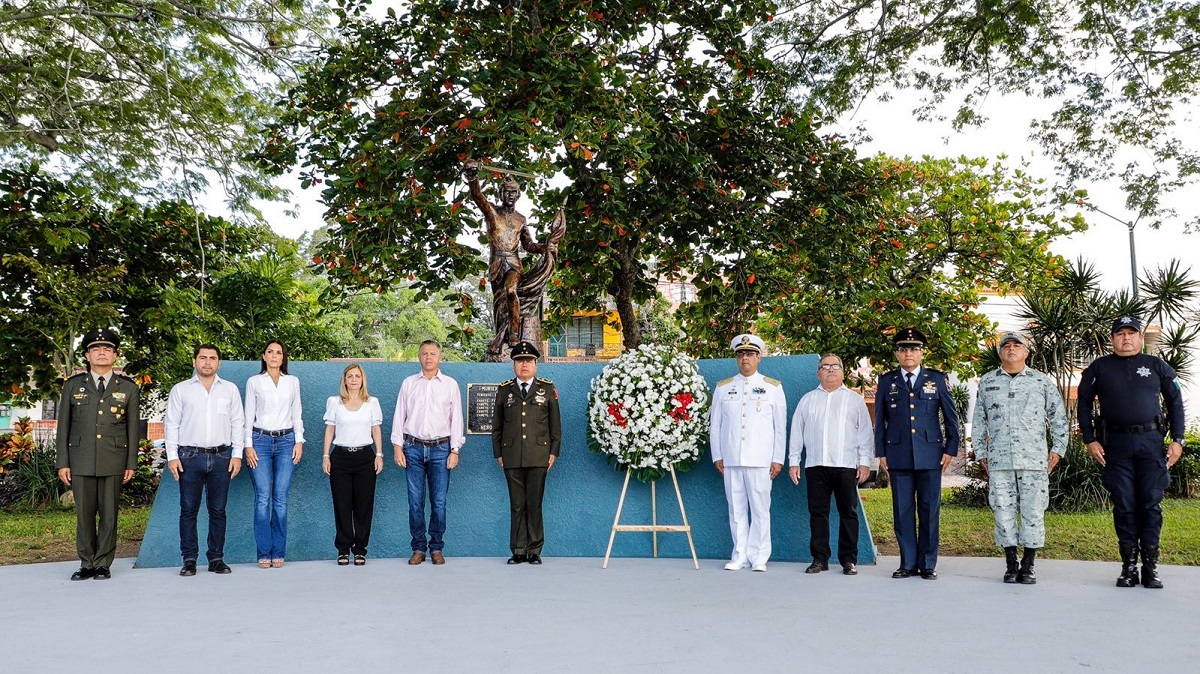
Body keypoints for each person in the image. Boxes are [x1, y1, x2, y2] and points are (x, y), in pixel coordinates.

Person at [1078, 316, 1186, 589]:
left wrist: (1178, 440)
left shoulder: (1156, 366)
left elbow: (1175, 402)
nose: (1126, 338)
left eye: (1131, 333)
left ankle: (1150, 567)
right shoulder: (1099, 368)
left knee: (1150, 504)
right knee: (1124, 505)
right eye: (1120, 334)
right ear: (1112, 338)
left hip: (1150, 443)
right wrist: (1090, 439)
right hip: (1116, 445)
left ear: (1140, 337)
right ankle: (1128, 567)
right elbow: (1083, 403)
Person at [972, 331, 1067, 584]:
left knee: (1033, 511)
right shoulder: (988, 382)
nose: (1011, 349)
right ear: (1000, 352)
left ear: (1026, 352)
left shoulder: (1041, 382)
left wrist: (1058, 448)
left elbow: (1058, 416)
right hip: (999, 460)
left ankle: (1029, 564)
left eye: (1017, 346)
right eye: (1007, 346)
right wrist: (980, 451)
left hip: (1034, 459)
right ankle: (1011, 563)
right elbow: (979, 420)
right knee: (1002, 511)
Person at [55, 328, 140, 581]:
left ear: (115, 355)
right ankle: (86, 562)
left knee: (109, 513)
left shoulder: (128, 387)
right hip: (80, 459)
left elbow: (133, 429)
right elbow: (63, 428)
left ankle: (103, 562)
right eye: (96, 349)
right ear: (87, 355)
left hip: (114, 459)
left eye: (107, 349)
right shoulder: (72, 386)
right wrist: (63, 462)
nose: (102, 352)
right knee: (84, 514)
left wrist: (131, 463)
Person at [874, 327, 960, 580]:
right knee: (902, 511)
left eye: (913, 349)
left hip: (931, 454)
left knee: (929, 509)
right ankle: (907, 563)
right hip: (897, 453)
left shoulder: (937, 379)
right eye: (903, 349)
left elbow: (950, 417)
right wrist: (881, 453)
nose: (908, 353)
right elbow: (880, 421)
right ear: (897, 354)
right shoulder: (887, 380)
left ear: (922, 352)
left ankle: (928, 563)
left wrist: (950, 449)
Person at [787, 353, 872, 576]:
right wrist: (794, 461)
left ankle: (848, 560)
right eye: (825, 366)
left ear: (843, 372)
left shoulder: (854, 400)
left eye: (836, 366)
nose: (831, 370)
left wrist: (865, 463)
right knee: (818, 514)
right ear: (818, 373)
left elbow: (864, 434)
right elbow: (796, 432)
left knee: (848, 513)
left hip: (845, 466)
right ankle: (819, 558)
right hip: (815, 465)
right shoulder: (807, 399)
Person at [164, 344, 245, 576]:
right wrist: (172, 457)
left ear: (219, 363)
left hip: (221, 457)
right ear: (194, 362)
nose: (207, 362)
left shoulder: (229, 390)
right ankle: (189, 559)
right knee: (188, 509)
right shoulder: (181, 390)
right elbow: (172, 424)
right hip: (189, 456)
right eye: (202, 358)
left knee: (218, 510)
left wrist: (237, 454)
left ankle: (216, 559)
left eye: (212, 358)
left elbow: (237, 422)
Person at [710, 334, 787, 572]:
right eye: (741, 354)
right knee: (736, 510)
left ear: (759, 357)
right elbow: (715, 425)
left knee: (761, 509)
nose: (745, 358)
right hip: (732, 457)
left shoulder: (772, 387)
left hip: (761, 459)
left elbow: (779, 426)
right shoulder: (724, 388)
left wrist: (778, 458)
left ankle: (759, 557)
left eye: (750, 354)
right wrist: (717, 455)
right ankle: (740, 554)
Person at [392, 340, 465, 565]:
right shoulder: (408, 383)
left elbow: (456, 420)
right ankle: (418, 548)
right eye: (425, 353)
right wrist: (397, 446)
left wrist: (455, 450)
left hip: (441, 450)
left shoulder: (450, 385)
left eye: (433, 353)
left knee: (439, 502)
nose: (429, 357)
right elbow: (399, 415)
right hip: (412, 448)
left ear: (440, 357)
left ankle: (436, 547)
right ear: (419, 357)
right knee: (415, 502)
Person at [491, 341, 561, 565]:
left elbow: (555, 426)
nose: (524, 365)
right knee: (517, 504)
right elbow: (497, 426)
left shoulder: (547, 389)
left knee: (534, 503)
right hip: (511, 455)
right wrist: (498, 454)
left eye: (528, 361)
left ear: (535, 365)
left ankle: (535, 550)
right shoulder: (504, 390)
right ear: (513, 365)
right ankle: (518, 550)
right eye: (520, 361)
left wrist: (553, 452)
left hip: (539, 455)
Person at [242, 340, 304, 569]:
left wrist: (299, 441)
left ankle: (278, 551)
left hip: (287, 441)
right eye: (271, 352)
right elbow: (248, 415)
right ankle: (263, 553)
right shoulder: (254, 382)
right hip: (260, 442)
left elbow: (297, 413)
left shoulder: (292, 382)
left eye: (279, 352)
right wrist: (247, 445)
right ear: (264, 356)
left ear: (283, 357)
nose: (275, 356)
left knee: (280, 498)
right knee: (262, 497)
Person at [322, 363, 384, 566]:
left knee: (363, 506)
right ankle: (343, 550)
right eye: (350, 376)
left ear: (362, 380)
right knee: (342, 505)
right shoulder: (335, 402)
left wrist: (379, 454)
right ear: (345, 380)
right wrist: (325, 455)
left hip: (365, 457)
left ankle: (360, 550)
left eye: (358, 376)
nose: (354, 379)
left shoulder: (371, 402)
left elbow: (376, 430)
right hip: (340, 457)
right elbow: (330, 430)